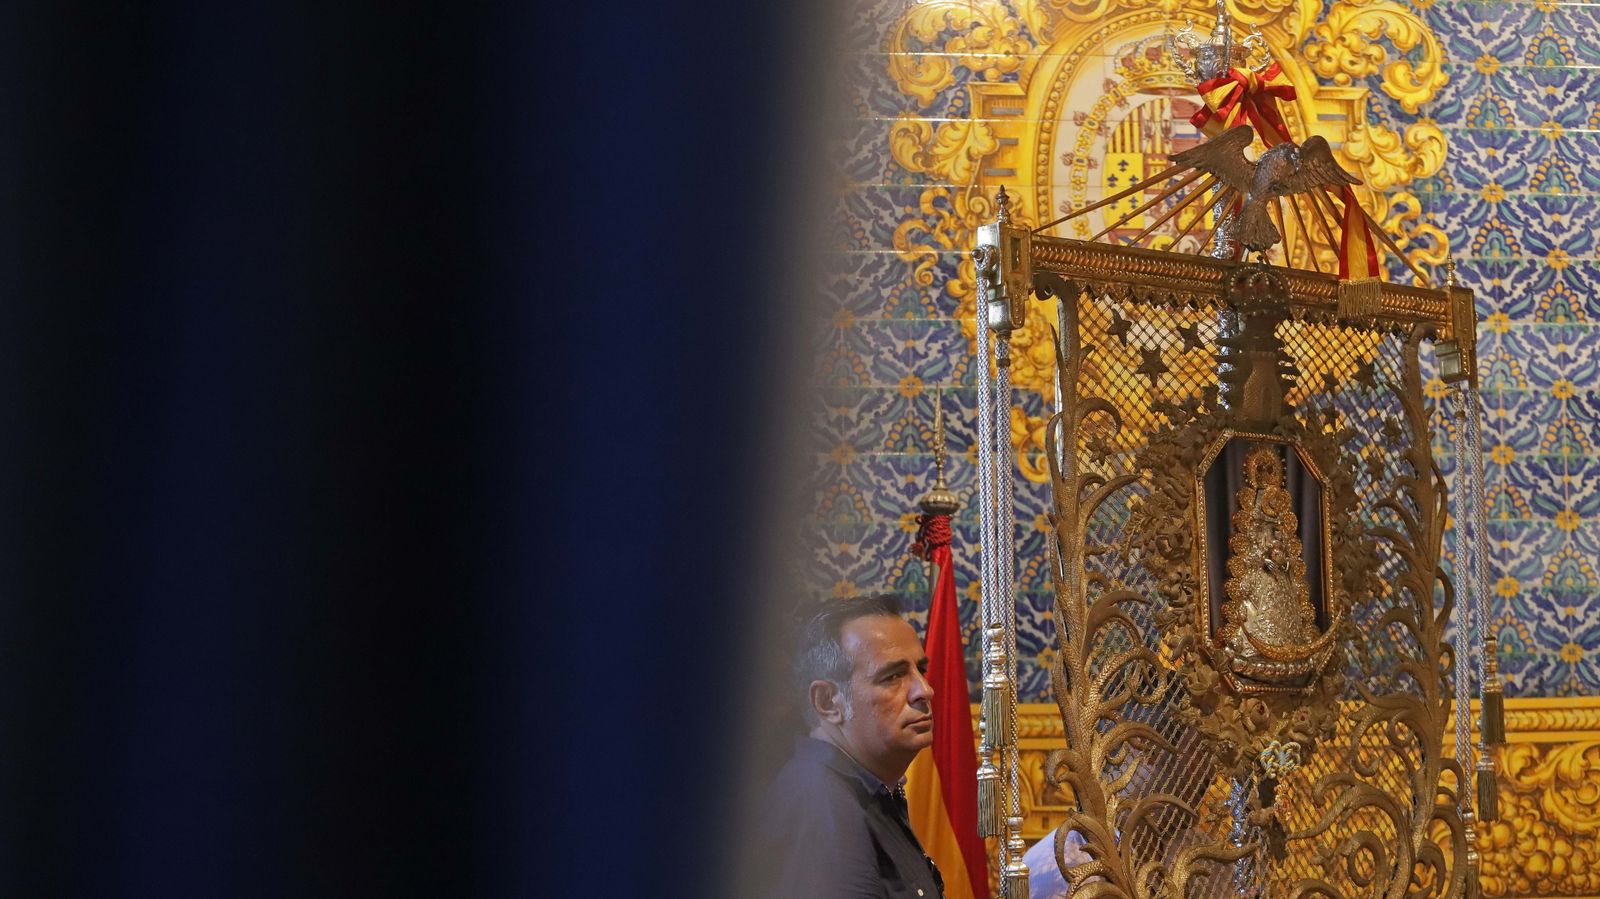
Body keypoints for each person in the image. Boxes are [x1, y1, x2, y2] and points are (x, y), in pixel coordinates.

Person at [760, 594, 946, 899]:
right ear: (828, 702)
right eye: (893, 676)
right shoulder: (823, 809)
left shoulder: (858, 792)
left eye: (920, 671)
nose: (925, 690)